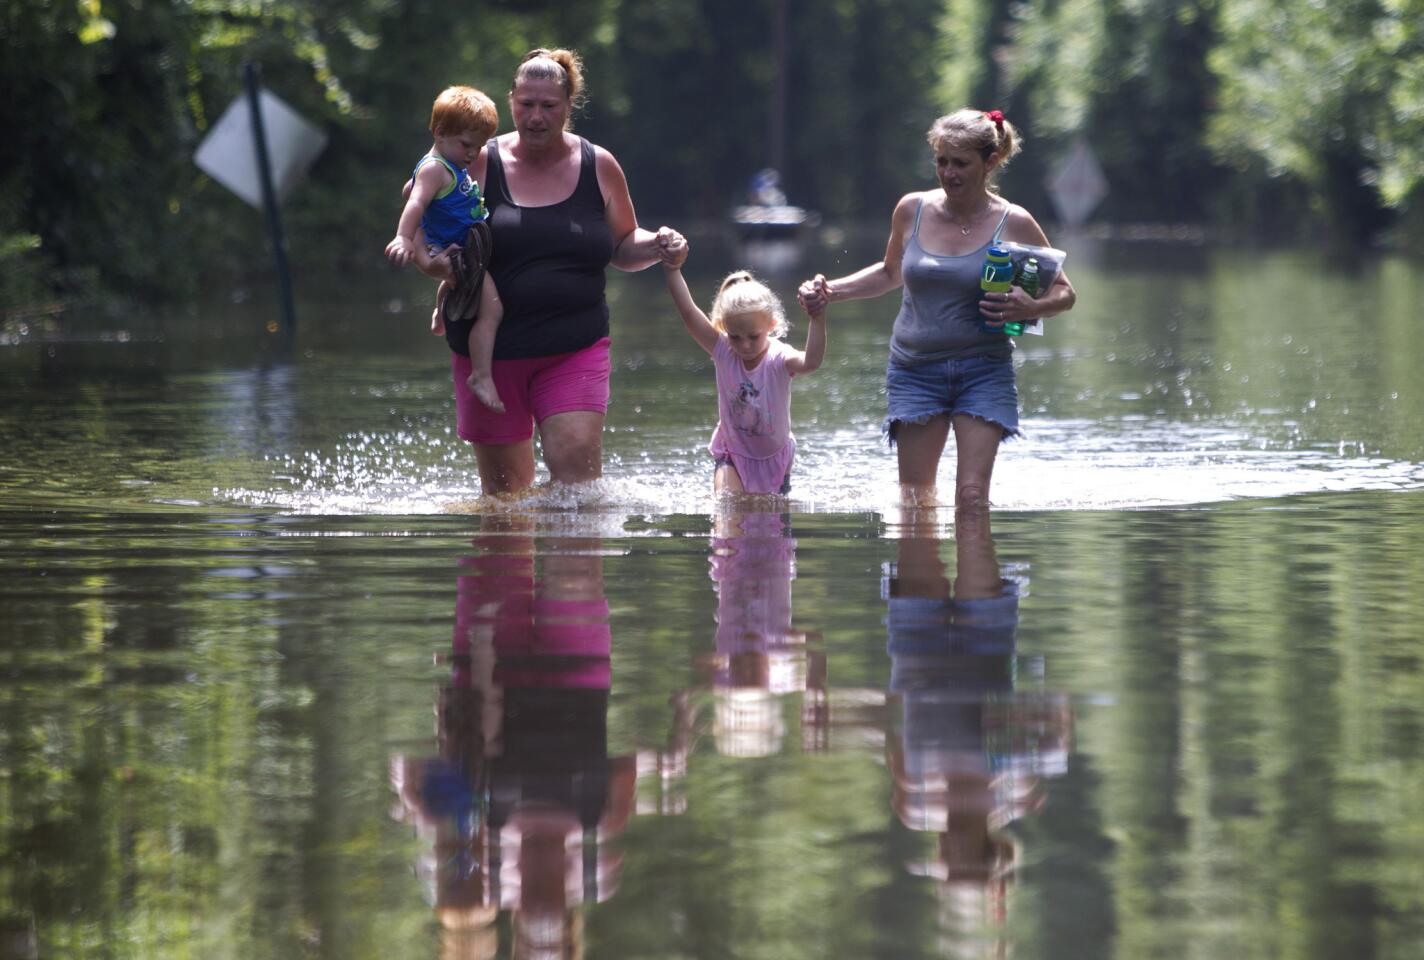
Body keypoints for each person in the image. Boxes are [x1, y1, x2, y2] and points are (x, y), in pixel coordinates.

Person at [797, 108, 1076, 508]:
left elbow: (1065, 294)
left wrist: (1028, 305)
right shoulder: (912, 210)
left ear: (990, 162)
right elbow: (890, 272)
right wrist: (830, 291)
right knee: (915, 500)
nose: (948, 173)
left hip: (983, 369)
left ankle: (980, 566)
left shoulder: (1014, 222)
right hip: (915, 370)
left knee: (972, 496)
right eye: (941, 162)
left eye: (960, 163)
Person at [442, 48, 688, 496]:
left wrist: (658, 244)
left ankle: (574, 566)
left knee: (577, 486)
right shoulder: (475, 163)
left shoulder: (600, 165)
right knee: (505, 500)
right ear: (511, 100)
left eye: (548, 106)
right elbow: (436, 230)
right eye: (526, 105)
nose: (535, 117)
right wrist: (443, 278)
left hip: (574, 344)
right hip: (490, 356)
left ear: (568, 108)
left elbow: (621, 244)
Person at [385, 85, 506, 413]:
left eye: (479, 146)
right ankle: (481, 375)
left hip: (461, 247)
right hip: (458, 251)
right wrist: (404, 239)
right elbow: (415, 202)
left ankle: (441, 310)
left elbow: (411, 188)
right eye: (466, 144)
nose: (473, 153)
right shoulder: (435, 168)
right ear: (440, 132)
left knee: (456, 285)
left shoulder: (446, 164)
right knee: (493, 310)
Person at [662, 259, 827, 495]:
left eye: (753, 336)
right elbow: (688, 312)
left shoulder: (778, 358)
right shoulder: (723, 351)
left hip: (774, 459)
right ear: (724, 328)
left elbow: (812, 362)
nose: (744, 345)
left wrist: (817, 318)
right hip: (733, 454)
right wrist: (672, 268)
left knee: (771, 528)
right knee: (727, 507)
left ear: (771, 325)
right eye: (735, 336)